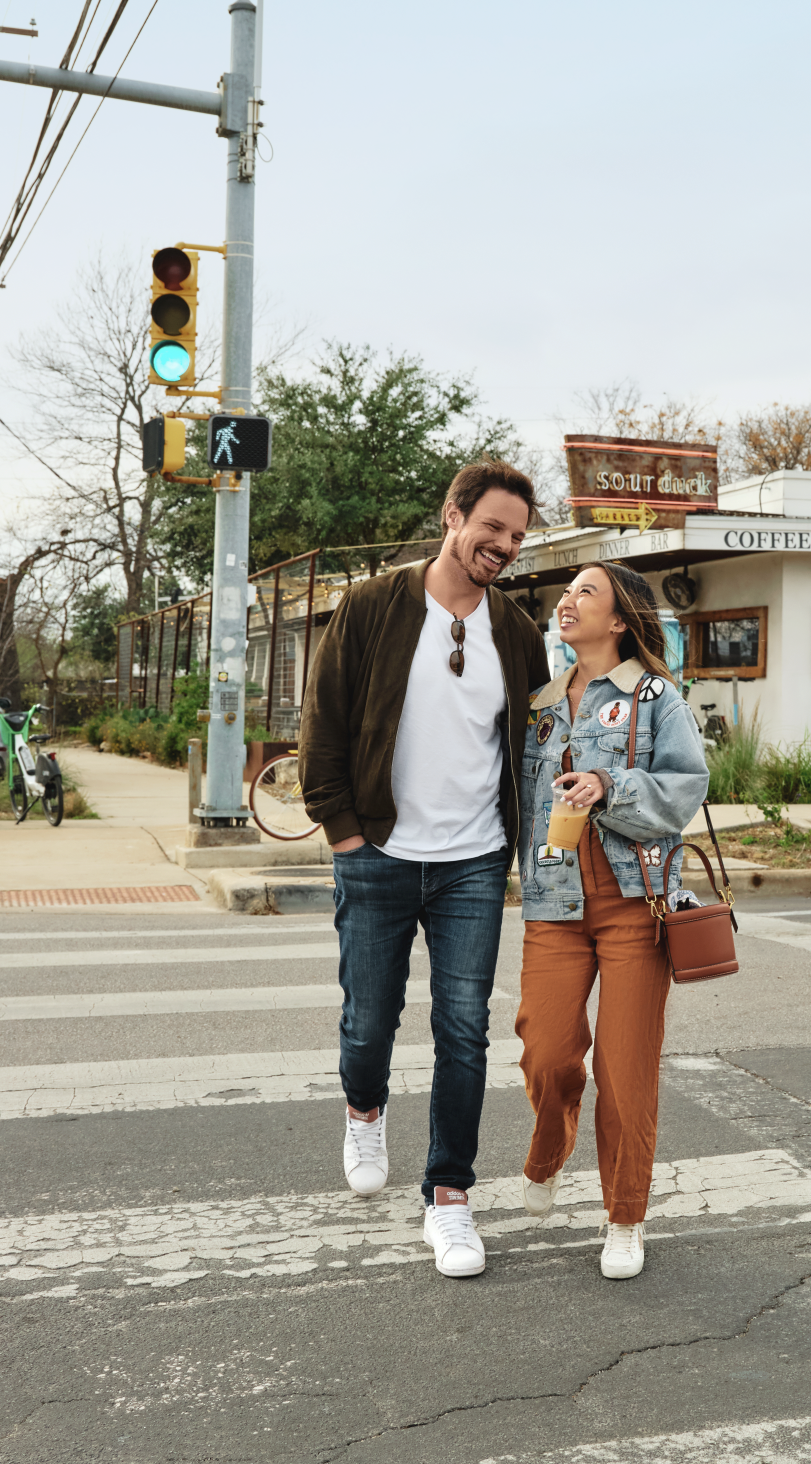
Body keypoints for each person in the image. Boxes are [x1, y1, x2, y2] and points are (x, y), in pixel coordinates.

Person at [296, 460, 550, 1278]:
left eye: (517, 535)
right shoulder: (373, 605)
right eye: (494, 528)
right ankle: (364, 1107)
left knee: (464, 1033)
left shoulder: (514, 630)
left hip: (472, 863)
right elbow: (323, 718)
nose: (505, 545)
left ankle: (449, 1199)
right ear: (453, 516)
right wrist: (340, 830)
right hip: (376, 852)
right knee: (369, 1023)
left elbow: (536, 745)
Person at [514, 561, 709, 1280]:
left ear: (620, 618)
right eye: (566, 594)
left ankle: (625, 1215)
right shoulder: (539, 701)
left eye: (585, 593)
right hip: (554, 903)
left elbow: (686, 788)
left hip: (636, 905)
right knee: (548, 1052)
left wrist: (610, 784)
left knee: (626, 1074)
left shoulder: (657, 696)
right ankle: (548, 1153)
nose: (567, 602)